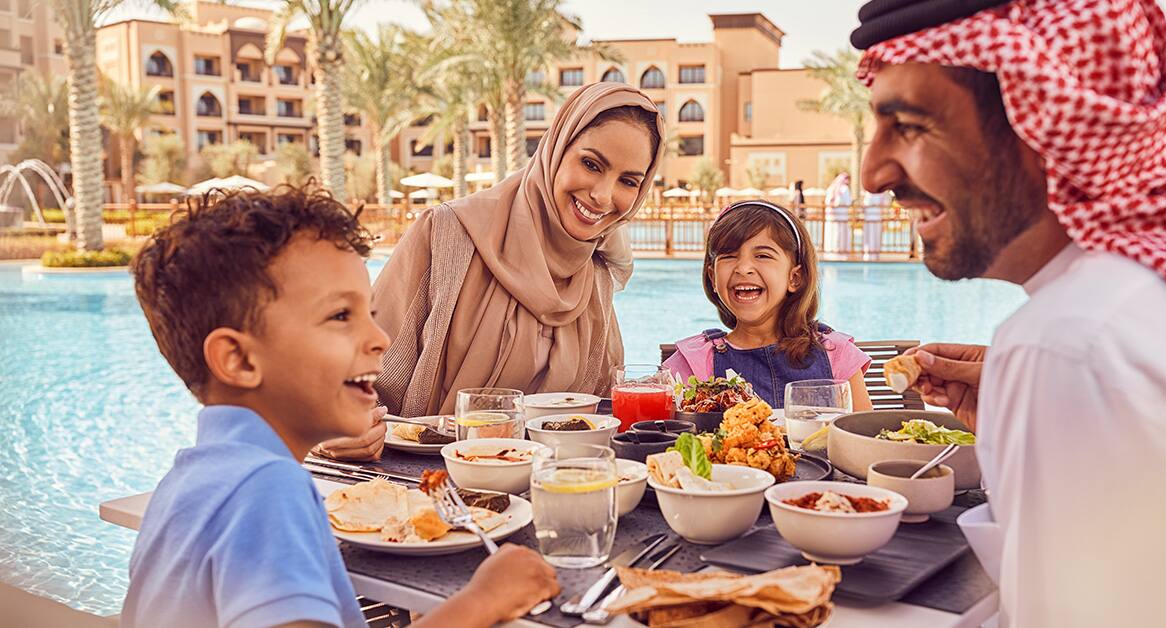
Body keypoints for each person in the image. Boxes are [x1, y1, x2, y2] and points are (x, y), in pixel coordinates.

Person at [851, 0, 1166, 625]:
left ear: (1044, 118)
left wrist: (1045, 379)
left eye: (909, 124)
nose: (872, 174)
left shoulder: (1069, 342)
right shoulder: (1139, 305)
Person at [123, 186, 560, 627]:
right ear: (238, 360)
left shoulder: (187, 483)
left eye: (369, 313)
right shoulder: (268, 489)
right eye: (339, 316)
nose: (381, 339)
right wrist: (484, 599)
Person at [368, 82, 664, 419]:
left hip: (560, 472)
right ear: (556, 149)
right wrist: (356, 424)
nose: (602, 195)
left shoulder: (595, 273)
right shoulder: (447, 234)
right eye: (591, 165)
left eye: (628, 181)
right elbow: (355, 372)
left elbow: (598, 405)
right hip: (424, 468)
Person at [663, 200, 873, 411]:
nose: (743, 268)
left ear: (795, 278)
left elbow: (864, 437)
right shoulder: (695, 360)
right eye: (728, 256)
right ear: (712, 277)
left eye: (763, 256)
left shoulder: (836, 353)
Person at [822, 173, 852, 253]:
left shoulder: (831, 188)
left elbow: (827, 202)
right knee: (839, 233)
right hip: (841, 216)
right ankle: (840, 249)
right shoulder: (845, 189)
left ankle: (831, 248)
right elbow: (848, 202)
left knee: (832, 232)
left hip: (832, 216)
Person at [861, 189, 891, 260]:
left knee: (875, 235)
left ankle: (874, 254)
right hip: (870, 217)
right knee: (869, 235)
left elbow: (885, 204)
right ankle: (869, 254)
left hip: (876, 217)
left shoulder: (881, 193)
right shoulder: (869, 193)